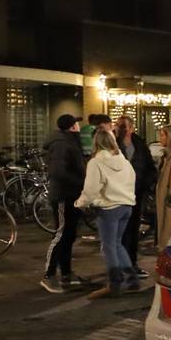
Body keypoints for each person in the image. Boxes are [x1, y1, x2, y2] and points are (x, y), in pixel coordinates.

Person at [75, 129, 139, 298]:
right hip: (126, 206)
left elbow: (90, 189)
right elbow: (132, 180)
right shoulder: (124, 162)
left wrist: (80, 203)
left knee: (109, 246)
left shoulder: (96, 163)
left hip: (108, 209)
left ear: (96, 142)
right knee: (118, 244)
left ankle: (114, 283)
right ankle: (132, 279)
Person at [41, 114, 94, 293]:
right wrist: (81, 182)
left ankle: (66, 274)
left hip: (72, 195)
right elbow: (58, 172)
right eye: (77, 123)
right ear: (72, 127)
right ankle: (49, 275)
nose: (79, 125)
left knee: (69, 236)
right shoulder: (62, 144)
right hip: (64, 195)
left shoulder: (70, 141)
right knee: (61, 234)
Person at [115, 116, 155, 275]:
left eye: (123, 126)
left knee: (132, 230)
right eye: (118, 126)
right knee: (118, 231)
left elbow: (150, 167)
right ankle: (118, 265)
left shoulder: (140, 145)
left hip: (136, 194)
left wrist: (145, 185)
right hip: (118, 194)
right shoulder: (113, 145)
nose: (120, 129)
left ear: (131, 128)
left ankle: (131, 263)